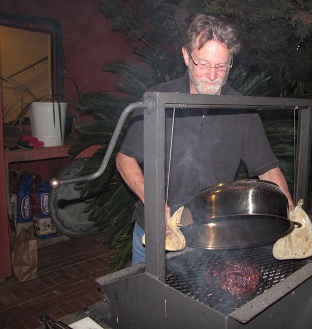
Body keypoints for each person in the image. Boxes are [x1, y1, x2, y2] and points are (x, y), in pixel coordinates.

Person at [116, 14, 295, 265]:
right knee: (145, 301)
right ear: (187, 56)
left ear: (231, 62)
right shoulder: (158, 98)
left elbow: (267, 170)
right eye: (203, 64)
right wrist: (153, 200)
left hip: (211, 234)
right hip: (155, 231)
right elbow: (125, 158)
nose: (212, 75)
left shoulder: (241, 110)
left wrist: (293, 217)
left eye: (221, 66)